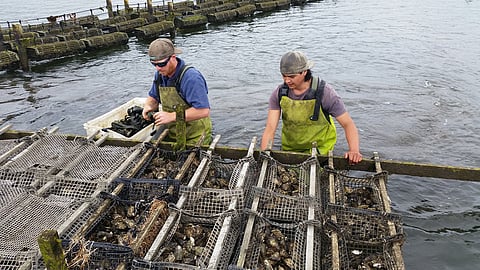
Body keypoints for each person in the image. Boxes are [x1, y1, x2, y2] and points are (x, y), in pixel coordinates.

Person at [260, 51, 362, 164]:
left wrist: (354, 150)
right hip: (291, 149)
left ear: (304, 72)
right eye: (284, 76)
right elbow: (270, 128)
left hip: (321, 149)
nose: (287, 80)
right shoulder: (280, 93)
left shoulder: (325, 92)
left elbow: (348, 124)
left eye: (292, 76)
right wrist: (265, 155)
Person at [142, 38, 212, 144]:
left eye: (161, 64)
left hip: (196, 136)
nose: (157, 68)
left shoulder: (191, 78)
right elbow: (154, 96)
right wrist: (148, 106)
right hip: (173, 133)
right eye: (154, 64)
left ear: (173, 57)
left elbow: (203, 111)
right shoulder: (160, 74)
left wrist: (171, 116)